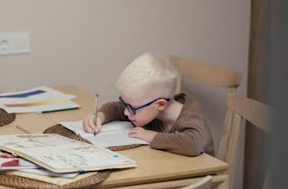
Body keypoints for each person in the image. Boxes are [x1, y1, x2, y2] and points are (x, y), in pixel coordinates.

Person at [83, 53, 214, 157]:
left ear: (161, 105)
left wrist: (152, 136)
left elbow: (193, 144)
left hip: (197, 181)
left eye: (133, 108)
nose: (126, 112)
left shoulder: (190, 118)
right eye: (126, 104)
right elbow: (116, 108)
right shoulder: (150, 108)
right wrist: (99, 116)